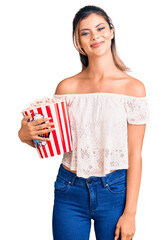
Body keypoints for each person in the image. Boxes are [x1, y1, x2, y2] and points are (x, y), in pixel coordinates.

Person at [18, 5, 150, 240]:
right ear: (78, 43)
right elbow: (51, 140)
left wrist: (130, 212)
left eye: (100, 28)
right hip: (69, 189)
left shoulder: (133, 88)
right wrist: (24, 134)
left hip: (115, 190)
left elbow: (135, 154)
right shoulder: (66, 88)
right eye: (85, 32)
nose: (95, 36)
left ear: (111, 32)